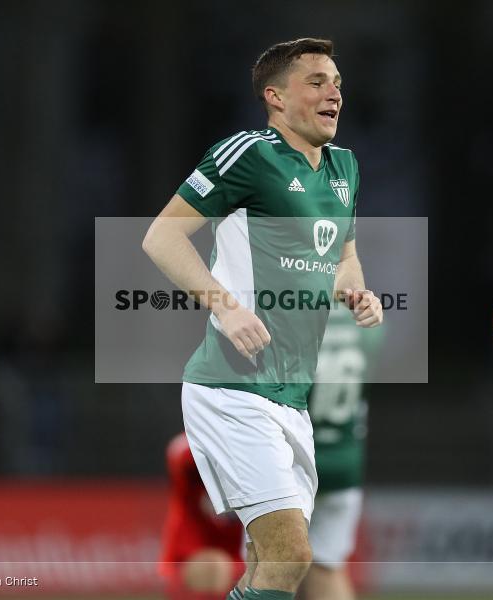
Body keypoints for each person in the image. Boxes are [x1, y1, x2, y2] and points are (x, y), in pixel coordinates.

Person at [143, 37, 383, 600]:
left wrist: (358, 294)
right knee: (291, 555)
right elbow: (161, 236)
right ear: (275, 97)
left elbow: (342, 257)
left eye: (339, 84)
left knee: (267, 563)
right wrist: (226, 307)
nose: (335, 94)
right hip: (232, 388)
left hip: (292, 398)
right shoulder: (248, 153)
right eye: (318, 82)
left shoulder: (344, 168)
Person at [298, 305, 385, 600]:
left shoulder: (286, 312)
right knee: (327, 567)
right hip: (344, 458)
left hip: (292, 461)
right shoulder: (368, 322)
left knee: (266, 565)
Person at [159, 432, 245, 600]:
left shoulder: (258, 450)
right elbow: (178, 454)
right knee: (216, 566)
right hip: (192, 552)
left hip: (244, 555)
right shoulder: (190, 450)